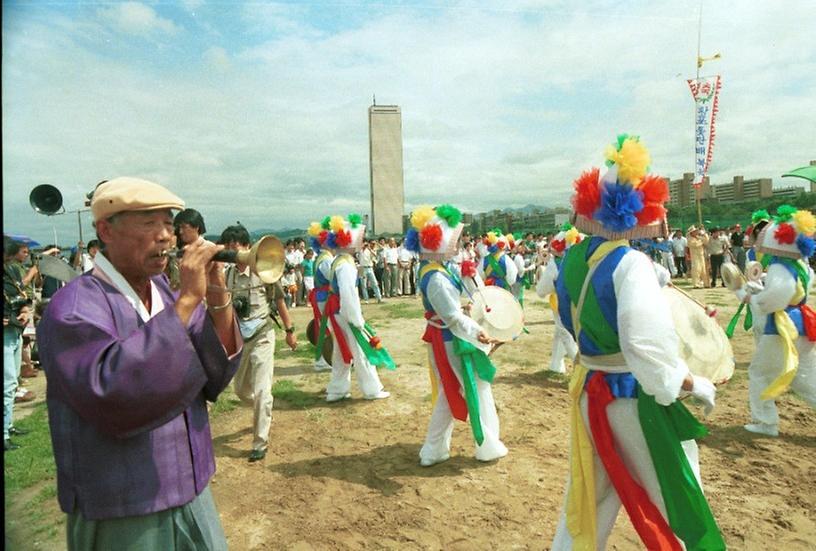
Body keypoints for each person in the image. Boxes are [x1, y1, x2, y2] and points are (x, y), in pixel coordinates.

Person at [37, 177, 241, 549]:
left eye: (168, 223)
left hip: (193, 492)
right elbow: (115, 393)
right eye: (149, 224)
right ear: (105, 231)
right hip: (125, 507)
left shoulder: (163, 292)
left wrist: (214, 289)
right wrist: (185, 302)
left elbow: (214, 369)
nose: (165, 236)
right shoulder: (75, 308)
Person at [551, 135, 723, 550]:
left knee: (591, 495)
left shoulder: (574, 257)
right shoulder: (630, 263)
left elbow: (567, 317)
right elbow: (648, 350)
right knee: (672, 491)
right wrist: (692, 384)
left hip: (590, 391)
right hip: (629, 398)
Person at [405, 204, 508, 466]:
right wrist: (479, 331)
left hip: (447, 336)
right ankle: (486, 444)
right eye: (452, 239)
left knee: (451, 392)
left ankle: (434, 449)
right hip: (451, 339)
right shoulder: (436, 276)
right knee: (474, 387)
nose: (457, 243)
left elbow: (448, 310)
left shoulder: (435, 268)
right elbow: (451, 317)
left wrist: (463, 307)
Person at [734, 206, 816, 437]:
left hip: (782, 327)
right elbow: (790, 290)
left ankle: (765, 422)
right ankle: (765, 421)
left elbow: (774, 299)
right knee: (806, 378)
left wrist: (749, 296)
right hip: (802, 323)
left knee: (760, 373)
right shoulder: (802, 265)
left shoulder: (781, 265)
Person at [220, 224, 298, 461]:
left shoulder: (264, 272)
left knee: (263, 389)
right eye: (229, 245)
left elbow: (281, 301)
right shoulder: (228, 276)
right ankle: (262, 410)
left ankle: (260, 442)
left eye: (237, 244)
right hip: (240, 339)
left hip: (263, 334)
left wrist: (290, 330)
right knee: (241, 390)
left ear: (247, 246)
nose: (234, 249)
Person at [321, 214, 392, 402]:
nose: (361, 241)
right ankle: (371, 389)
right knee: (361, 351)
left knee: (340, 351)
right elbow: (348, 294)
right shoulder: (345, 264)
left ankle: (337, 390)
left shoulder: (338, 260)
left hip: (337, 311)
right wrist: (356, 318)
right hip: (345, 312)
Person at [535, 225, 581, 374]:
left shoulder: (556, 264)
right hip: (584, 302)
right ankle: (556, 365)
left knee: (565, 333)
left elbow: (541, 290)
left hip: (563, 303)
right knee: (560, 332)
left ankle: (581, 367)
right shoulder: (586, 260)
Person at [4, 237, 35, 451]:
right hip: (6, 333)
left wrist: (24, 309)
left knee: (12, 382)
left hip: (14, 329)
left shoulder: (11, 271)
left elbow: (20, 296)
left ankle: (8, 425)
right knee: (7, 384)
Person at [306, 220, 336, 372]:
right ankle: (324, 359)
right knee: (327, 329)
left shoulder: (321, 257)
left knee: (323, 327)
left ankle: (321, 359)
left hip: (320, 296)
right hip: (324, 297)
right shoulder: (326, 259)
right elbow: (333, 277)